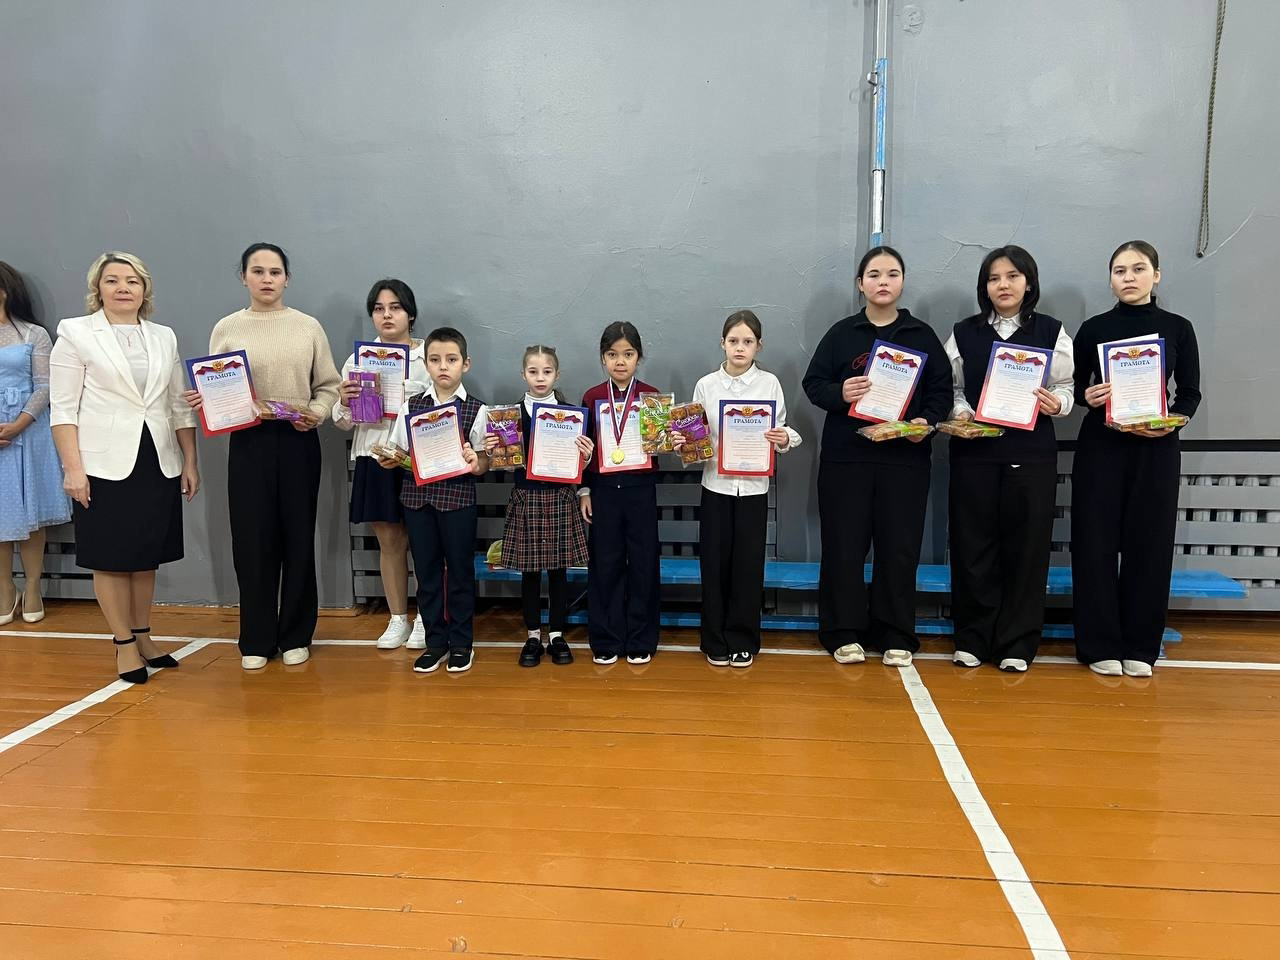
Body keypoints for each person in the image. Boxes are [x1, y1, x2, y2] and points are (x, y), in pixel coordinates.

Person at [48, 252, 199, 683]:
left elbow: (177, 404)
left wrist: (190, 460)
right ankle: (123, 643)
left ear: (144, 289)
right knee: (112, 557)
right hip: (102, 463)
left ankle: (144, 635)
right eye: (112, 280)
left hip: (157, 458)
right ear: (97, 288)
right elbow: (63, 409)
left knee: (145, 557)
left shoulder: (163, 336)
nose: (122, 288)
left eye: (132, 281)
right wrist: (73, 469)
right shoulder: (75, 333)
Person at [191, 243, 341, 671]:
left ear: (287, 278)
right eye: (257, 271)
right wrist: (206, 400)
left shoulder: (308, 327)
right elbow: (218, 386)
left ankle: (296, 635)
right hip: (249, 442)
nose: (267, 279)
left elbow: (329, 385)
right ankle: (256, 638)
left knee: (298, 536)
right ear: (244, 277)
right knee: (252, 540)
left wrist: (316, 413)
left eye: (275, 271)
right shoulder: (227, 328)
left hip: (298, 440)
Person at [802, 246, 951, 668]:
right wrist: (841, 392)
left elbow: (941, 391)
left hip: (904, 460)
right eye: (874, 274)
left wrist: (927, 420)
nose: (883, 281)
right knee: (844, 546)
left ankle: (895, 633)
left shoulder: (922, 336)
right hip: (846, 459)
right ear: (860, 283)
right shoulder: (841, 333)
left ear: (902, 281)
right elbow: (814, 383)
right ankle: (842, 632)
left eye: (892, 273)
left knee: (899, 548)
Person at [1071, 240, 1201, 677]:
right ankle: (1098, 645)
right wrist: (1087, 397)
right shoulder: (1093, 328)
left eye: (1138, 268)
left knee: (1150, 544)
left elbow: (1190, 393)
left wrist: (1173, 422)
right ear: (1110, 279)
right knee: (1095, 543)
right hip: (1102, 446)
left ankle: (1141, 647)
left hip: (1156, 448)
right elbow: (1075, 388)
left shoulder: (1178, 328)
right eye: (1120, 270)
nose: (1129, 277)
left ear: (1156, 276)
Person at [943, 246, 1074, 672]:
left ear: (1028, 283)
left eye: (1013, 276)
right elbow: (951, 388)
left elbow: (1066, 386)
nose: (1003, 285)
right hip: (974, 454)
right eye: (994, 278)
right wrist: (961, 411)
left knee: (1027, 548)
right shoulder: (963, 333)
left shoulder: (1051, 331)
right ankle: (973, 638)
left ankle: (1017, 642)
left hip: (1031, 455)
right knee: (972, 546)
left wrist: (1059, 403)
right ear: (984, 287)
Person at [677, 310, 801, 668]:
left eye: (748, 341)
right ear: (722, 343)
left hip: (753, 489)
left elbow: (782, 429)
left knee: (747, 567)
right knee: (714, 565)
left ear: (759, 346)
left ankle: (743, 639)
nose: (740, 348)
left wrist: (783, 438)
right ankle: (714, 639)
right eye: (733, 341)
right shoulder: (706, 385)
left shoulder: (770, 384)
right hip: (715, 486)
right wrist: (685, 442)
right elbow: (696, 435)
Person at [379, 327, 488, 674]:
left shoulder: (476, 409)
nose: (443, 366)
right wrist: (391, 458)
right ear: (426, 364)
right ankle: (435, 642)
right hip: (418, 502)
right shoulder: (411, 406)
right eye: (436, 360)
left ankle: (462, 644)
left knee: (459, 573)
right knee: (426, 573)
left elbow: (484, 461)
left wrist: (476, 462)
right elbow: (399, 451)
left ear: (465, 364)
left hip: (458, 501)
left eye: (451, 360)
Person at [333, 279, 430, 650]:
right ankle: (397, 618)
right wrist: (344, 401)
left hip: (417, 460)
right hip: (374, 456)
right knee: (389, 541)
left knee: (425, 541)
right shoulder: (358, 360)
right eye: (378, 308)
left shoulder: (429, 356)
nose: (387, 315)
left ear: (410, 314)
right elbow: (342, 421)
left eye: (395, 307)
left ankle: (426, 617)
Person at [484, 345, 593, 667]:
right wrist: (493, 451)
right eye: (533, 372)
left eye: (547, 371)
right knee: (530, 573)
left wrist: (586, 456)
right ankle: (532, 635)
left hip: (560, 498)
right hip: (526, 498)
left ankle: (556, 634)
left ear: (557, 375)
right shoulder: (509, 417)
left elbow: (580, 466)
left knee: (559, 572)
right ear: (523, 375)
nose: (540, 378)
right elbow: (502, 463)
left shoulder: (572, 415)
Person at [579, 322, 662, 666]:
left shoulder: (652, 397)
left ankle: (641, 638)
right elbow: (583, 451)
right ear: (603, 358)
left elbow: (659, 449)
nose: (620, 361)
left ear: (639, 357)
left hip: (640, 490)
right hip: (603, 492)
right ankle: (606, 638)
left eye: (628, 354)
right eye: (613, 354)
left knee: (643, 564)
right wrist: (584, 490)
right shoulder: (591, 397)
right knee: (605, 564)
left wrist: (668, 440)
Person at [0, 262, 71, 625]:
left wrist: (18, 424)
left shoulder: (33, 333)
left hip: (29, 430)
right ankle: (4, 588)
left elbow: (45, 386)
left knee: (32, 514)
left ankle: (32, 587)